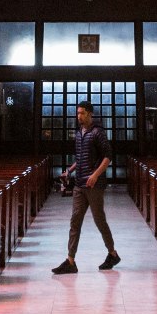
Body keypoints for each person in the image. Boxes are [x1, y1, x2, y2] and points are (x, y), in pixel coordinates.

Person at [52, 100, 119, 274]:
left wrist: (95, 175)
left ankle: (112, 253)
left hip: (94, 186)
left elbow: (108, 156)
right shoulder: (79, 133)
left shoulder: (98, 133)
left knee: (99, 220)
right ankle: (70, 261)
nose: (79, 116)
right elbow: (81, 158)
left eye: (82, 113)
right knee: (75, 221)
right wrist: (69, 171)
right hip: (80, 184)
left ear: (90, 114)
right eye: (78, 113)